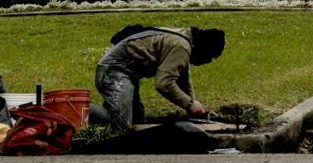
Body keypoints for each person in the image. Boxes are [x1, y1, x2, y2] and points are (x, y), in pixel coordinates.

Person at [88, 25, 226, 131]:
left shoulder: (185, 40)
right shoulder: (182, 46)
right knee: (120, 125)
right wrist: (189, 104)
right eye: (210, 57)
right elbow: (164, 83)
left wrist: (193, 106)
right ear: (204, 49)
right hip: (114, 71)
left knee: (138, 121)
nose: (207, 61)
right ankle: (77, 109)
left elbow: (183, 77)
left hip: (126, 74)